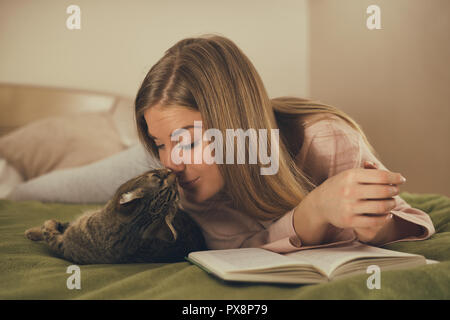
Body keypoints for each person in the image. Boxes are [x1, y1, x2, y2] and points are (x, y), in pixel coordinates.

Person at [134, 34, 435, 253]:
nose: (170, 162)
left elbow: (411, 218)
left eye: (187, 140)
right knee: (93, 180)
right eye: (159, 143)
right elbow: (237, 250)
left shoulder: (327, 140)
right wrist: (313, 212)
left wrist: (377, 225)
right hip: (130, 160)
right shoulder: (186, 181)